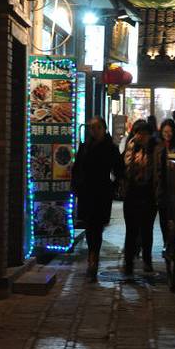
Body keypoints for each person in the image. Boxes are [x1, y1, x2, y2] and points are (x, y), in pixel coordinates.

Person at [71, 117, 124, 282]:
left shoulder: (111, 148)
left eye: (97, 127)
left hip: (102, 192)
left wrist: (113, 187)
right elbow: (77, 167)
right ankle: (92, 257)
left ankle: (93, 258)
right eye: (92, 127)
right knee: (89, 225)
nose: (94, 130)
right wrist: (76, 185)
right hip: (87, 191)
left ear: (104, 129)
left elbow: (119, 170)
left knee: (97, 226)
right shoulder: (85, 146)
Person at [122, 122, 158, 276]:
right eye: (138, 133)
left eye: (145, 134)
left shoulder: (155, 149)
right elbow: (124, 168)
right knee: (131, 230)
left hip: (149, 194)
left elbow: (158, 171)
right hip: (132, 193)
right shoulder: (130, 148)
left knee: (147, 229)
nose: (141, 136)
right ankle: (128, 263)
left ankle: (147, 260)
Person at [155, 119, 175, 246]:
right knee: (164, 215)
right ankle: (167, 243)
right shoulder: (158, 146)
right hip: (163, 185)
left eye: (170, 132)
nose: (167, 134)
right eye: (165, 132)